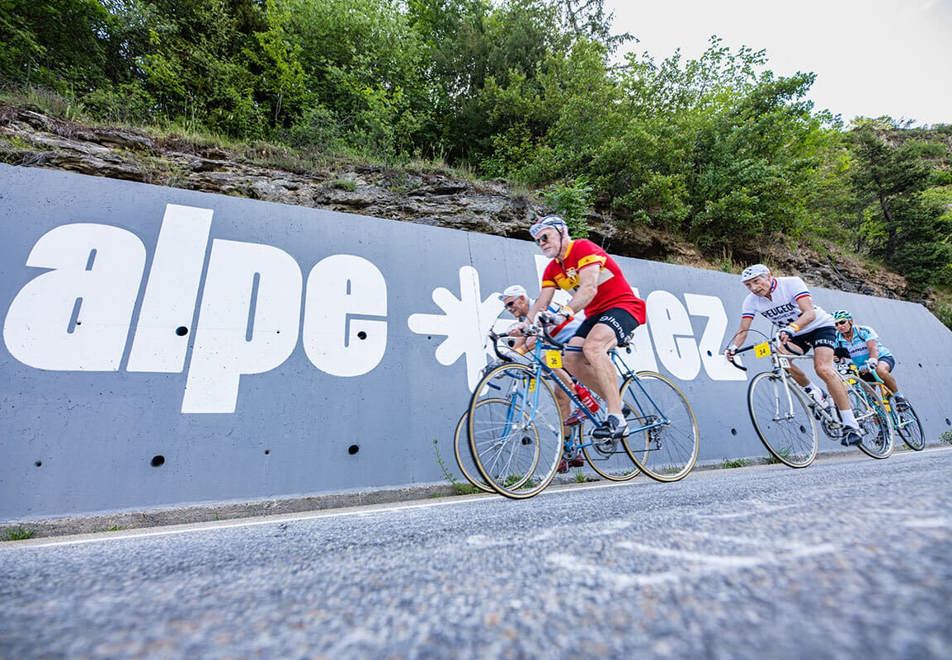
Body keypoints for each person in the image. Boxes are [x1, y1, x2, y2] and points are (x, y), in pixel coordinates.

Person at [522, 215, 647, 440]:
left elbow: (589, 289)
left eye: (545, 236)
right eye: (538, 240)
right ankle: (615, 403)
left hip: (623, 306)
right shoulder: (553, 269)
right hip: (596, 314)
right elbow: (542, 302)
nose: (541, 243)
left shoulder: (582, 248)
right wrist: (523, 326)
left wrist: (566, 313)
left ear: (561, 232)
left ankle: (617, 418)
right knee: (570, 357)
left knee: (593, 347)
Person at [724, 264, 863, 446]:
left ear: (769, 276)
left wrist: (792, 328)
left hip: (819, 326)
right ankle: (814, 392)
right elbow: (743, 330)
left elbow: (809, 313)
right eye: (748, 285)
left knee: (823, 369)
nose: (754, 288)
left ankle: (851, 425)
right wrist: (732, 347)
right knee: (779, 358)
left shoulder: (791, 283)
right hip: (795, 334)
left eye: (756, 282)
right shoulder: (751, 301)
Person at [832, 310, 908, 409]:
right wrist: (837, 359)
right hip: (863, 368)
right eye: (836, 324)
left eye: (842, 322)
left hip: (880, 358)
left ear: (850, 321)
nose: (839, 326)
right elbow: (838, 356)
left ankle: (899, 397)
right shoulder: (837, 339)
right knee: (868, 400)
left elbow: (873, 348)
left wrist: (873, 360)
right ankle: (881, 419)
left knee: (880, 370)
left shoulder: (863, 331)